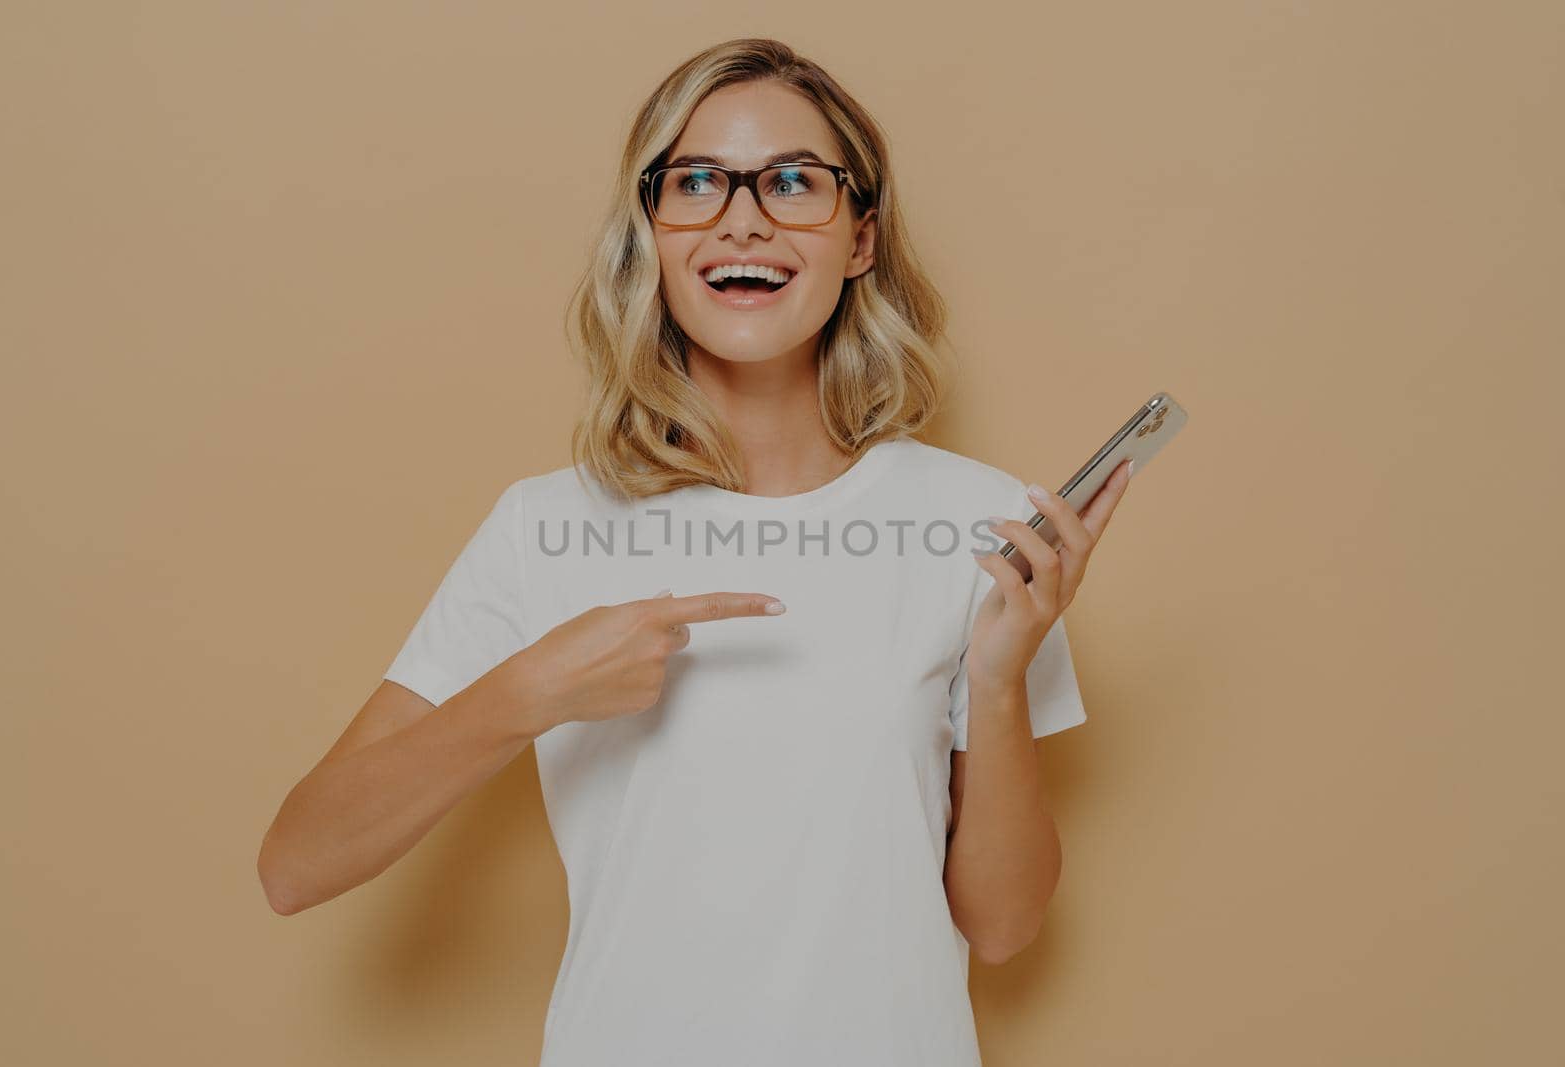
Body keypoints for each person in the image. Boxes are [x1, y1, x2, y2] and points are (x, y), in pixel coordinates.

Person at [258, 36, 1132, 1067]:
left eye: (796, 181)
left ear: (860, 238)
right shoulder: (551, 525)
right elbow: (296, 863)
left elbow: (1002, 926)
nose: (744, 216)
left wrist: (997, 677)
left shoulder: (975, 523)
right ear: (652, 234)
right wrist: (529, 688)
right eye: (699, 181)